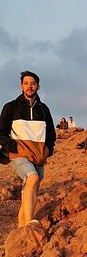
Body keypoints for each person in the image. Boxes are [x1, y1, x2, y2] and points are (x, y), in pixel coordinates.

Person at [0, 71, 56, 227]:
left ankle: (22, 226)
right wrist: (14, 147)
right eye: (26, 83)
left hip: (38, 155)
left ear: (37, 86)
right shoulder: (11, 107)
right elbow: (1, 132)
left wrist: (48, 150)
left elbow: (51, 133)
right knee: (32, 178)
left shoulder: (44, 109)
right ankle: (31, 223)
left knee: (30, 189)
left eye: (32, 83)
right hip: (17, 154)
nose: (29, 86)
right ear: (21, 86)